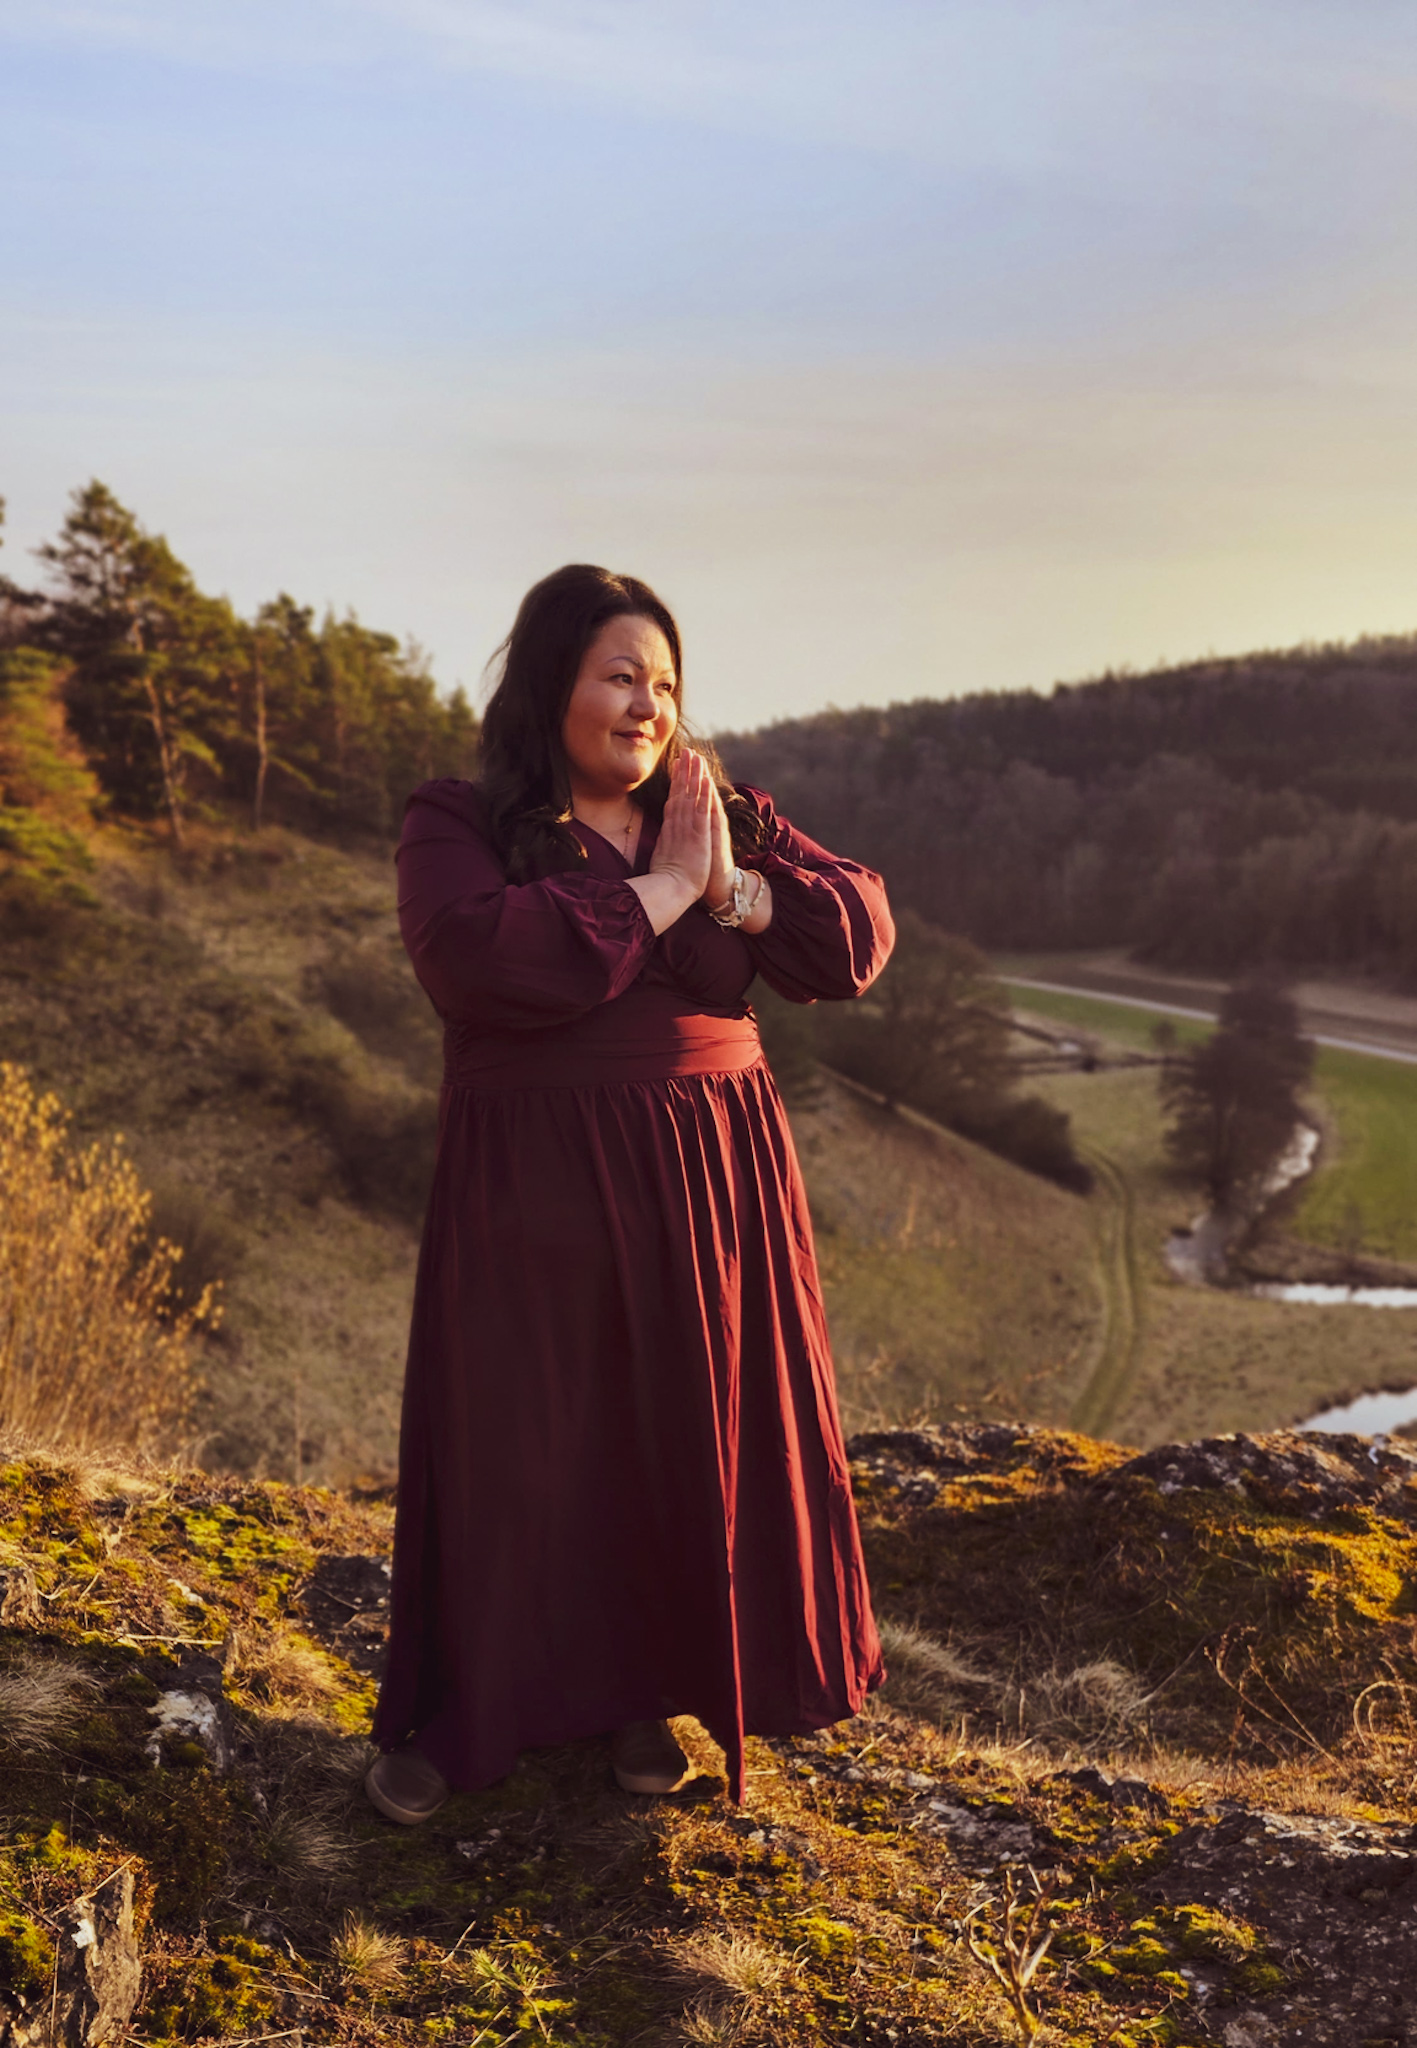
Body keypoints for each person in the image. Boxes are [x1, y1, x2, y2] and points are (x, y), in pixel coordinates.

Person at [365, 564, 893, 1822]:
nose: (646, 705)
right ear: (551, 682)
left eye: (664, 682)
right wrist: (660, 890)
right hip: (534, 1170)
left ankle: (644, 1693)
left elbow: (854, 932)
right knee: (529, 1435)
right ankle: (467, 1712)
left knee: (682, 1428)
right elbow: (475, 961)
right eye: (618, 675)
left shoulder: (721, 811)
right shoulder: (459, 820)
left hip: (714, 1168)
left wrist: (732, 887)